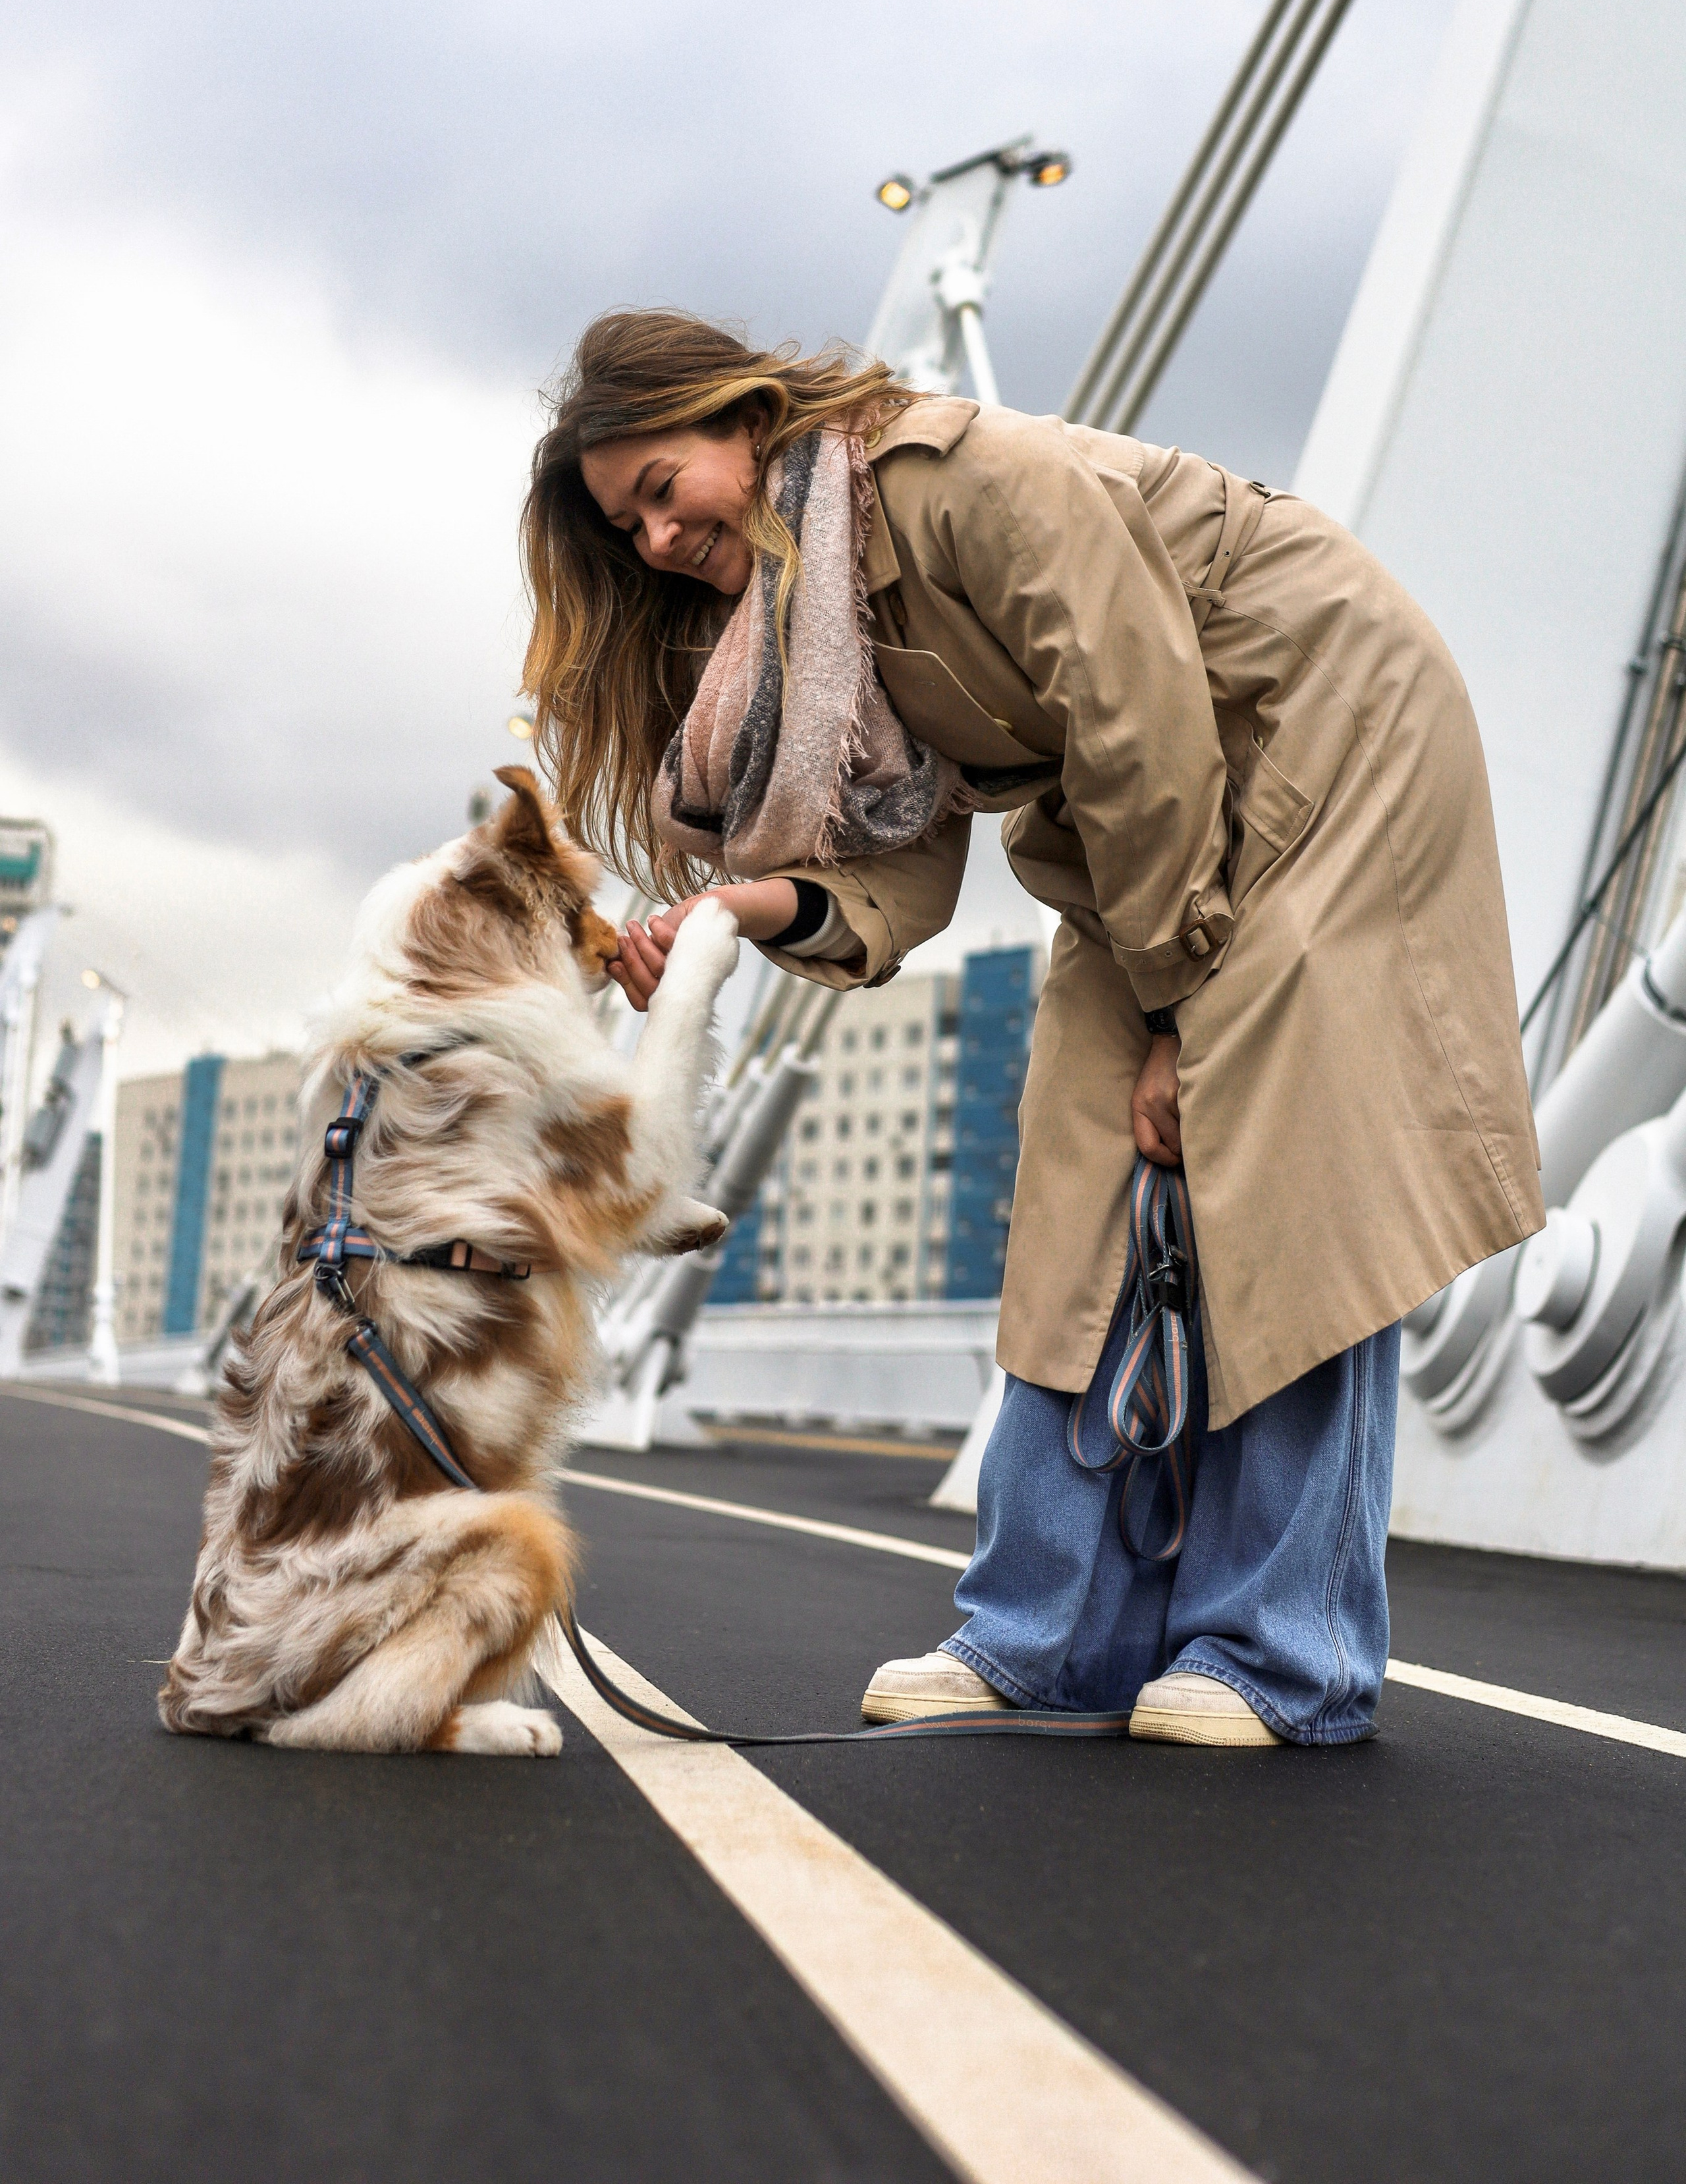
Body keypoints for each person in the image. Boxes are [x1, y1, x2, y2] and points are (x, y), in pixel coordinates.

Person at [520, 310, 1544, 1749]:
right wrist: (745, 908)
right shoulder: (818, 602)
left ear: (745, 421)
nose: (654, 540)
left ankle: (1285, 1652)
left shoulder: (956, 477)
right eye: (626, 528)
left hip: (1320, 731)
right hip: (1148, 817)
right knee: (1077, 1182)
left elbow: (1138, 711)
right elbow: (908, 860)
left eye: (658, 489)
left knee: (1287, 1182)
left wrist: (1178, 1015)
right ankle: (1048, 1634)